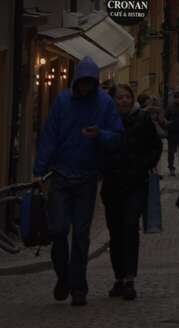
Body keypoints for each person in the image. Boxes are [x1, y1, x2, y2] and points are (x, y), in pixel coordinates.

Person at [33, 57, 123, 306]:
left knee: (81, 236)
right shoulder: (63, 101)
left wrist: (100, 135)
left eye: (89, 83)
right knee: (58, 230)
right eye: (82, 82)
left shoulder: (104, 103)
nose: (85, 87)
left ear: (94, 83)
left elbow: (117, 136)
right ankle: (64, 275)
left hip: (87, 177)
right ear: (76, 81)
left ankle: (78, 287)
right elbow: (50, 135)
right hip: (61, 174)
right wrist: (39, 170)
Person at [101, 84, 162, 300]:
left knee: (130, 228)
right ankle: (118, 277)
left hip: (135, 183)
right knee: (115, 232)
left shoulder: (142, 120)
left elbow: (156, 147)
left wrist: (143, 165)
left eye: (127, 97)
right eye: (120, 97)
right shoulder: (106, 121)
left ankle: (129, 278)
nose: (124, 101)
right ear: (112, 100)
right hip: (112, 184)